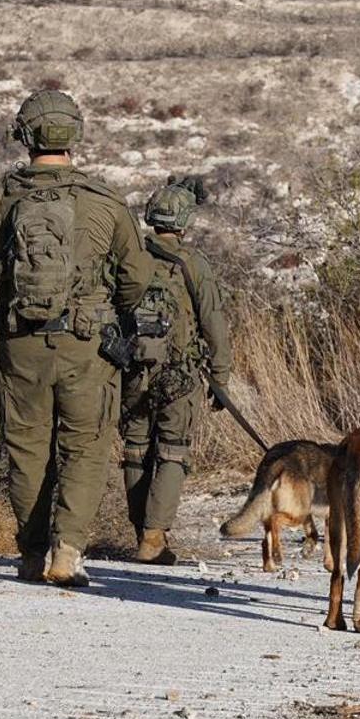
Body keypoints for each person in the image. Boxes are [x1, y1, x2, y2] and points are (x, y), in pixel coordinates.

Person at [0, 89, 153, 588]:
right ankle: (67, 552)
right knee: (86, 447)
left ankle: (31, 554)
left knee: (27, 451)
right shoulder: (105, 202)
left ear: (24, 136)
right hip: (87, 348)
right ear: (75, 134)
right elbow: (137, 279)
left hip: (20, 346)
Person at [119, 177, 233, 565]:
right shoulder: (194, 264)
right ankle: (152, 538)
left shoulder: (129, 257)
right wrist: (220, 378)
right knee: (171, 451)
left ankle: (140, 532)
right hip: (179, 375)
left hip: (133, 369)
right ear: (184, 222)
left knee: (135, 451)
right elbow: (213, 323)